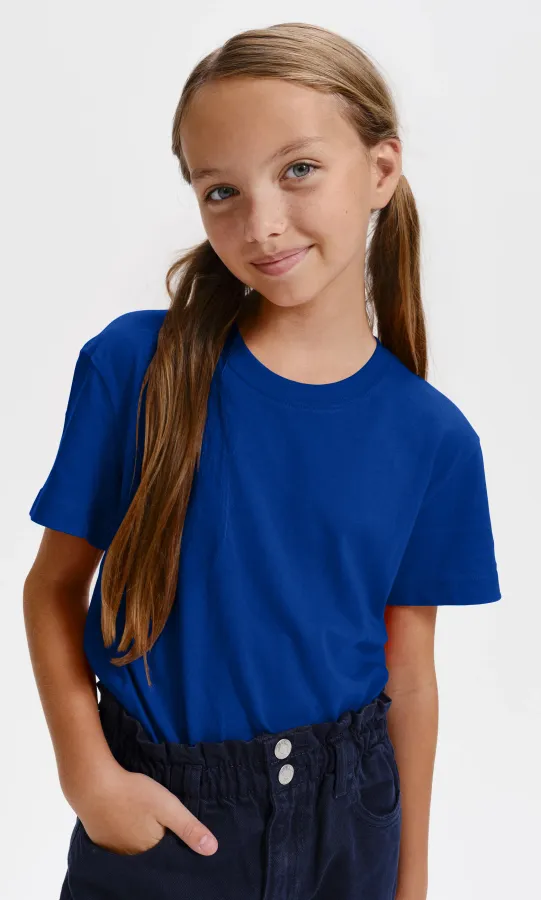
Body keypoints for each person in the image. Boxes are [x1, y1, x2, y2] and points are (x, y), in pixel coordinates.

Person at [23, 21, 501, 900]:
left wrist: (410, 883)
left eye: (298, 170)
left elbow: (409, 678)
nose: (262, 223)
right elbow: (52, 587)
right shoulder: (136, 367)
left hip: (348, 826)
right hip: (165, 820)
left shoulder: (432, 437)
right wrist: (90, 778)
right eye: (221, 191)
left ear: (381, 171)